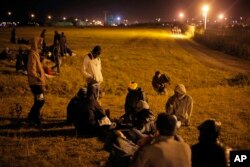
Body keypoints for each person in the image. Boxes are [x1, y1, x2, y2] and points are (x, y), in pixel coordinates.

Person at [26, 37, 46, 127]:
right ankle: (31, 117)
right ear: (36, 44)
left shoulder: (36, 54)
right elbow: (31, 70)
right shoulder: (33, 54)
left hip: (37, 82)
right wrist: (38, 77)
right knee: (41, 101)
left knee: (38, 100)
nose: (41, 45)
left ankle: (35, 118)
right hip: (35, 83)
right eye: (40, 44)